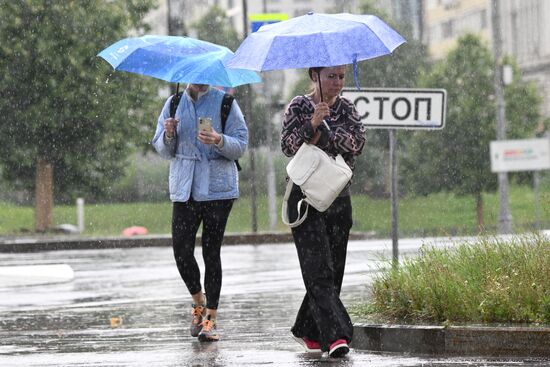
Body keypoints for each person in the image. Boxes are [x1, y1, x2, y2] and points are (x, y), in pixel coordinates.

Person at [152, 83, 248, 342]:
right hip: (184, 189)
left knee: (211, 251)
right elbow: (161, 148)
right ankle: (198, 303)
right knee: (181, 251)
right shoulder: (173, 103)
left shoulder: (225, 103)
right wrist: (169, 134)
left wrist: (218, 139)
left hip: (218, 190)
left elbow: (240, 144)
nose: (200, 80)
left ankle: (211, 320)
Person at [281, 65, 366, 358]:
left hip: (338, 196)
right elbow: (288, 146)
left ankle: (307, 328)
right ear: (314, 76)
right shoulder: (299, 106)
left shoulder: (347, 109)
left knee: (334, 271)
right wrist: (311, 125)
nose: (337, 82)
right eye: (332, 76)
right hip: (304, 198)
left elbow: (357, 143)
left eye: (341, 77)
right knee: (318, 269)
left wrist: (326, 134)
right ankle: (337, 335)